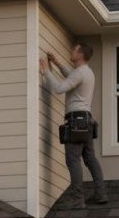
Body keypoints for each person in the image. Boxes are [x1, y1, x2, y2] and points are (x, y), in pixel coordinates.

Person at [40, 43, 107, 208]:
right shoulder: (86, 72)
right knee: (90, 158)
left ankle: (77, 199)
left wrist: (46, 71)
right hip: (86, 122)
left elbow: (60, 88)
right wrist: (56, 63)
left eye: (74, 50)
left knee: (73, 159)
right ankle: (100, 193)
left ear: (80, 54)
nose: (71, 52)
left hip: (76, 122)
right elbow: (71, 76)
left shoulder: (80, 73)